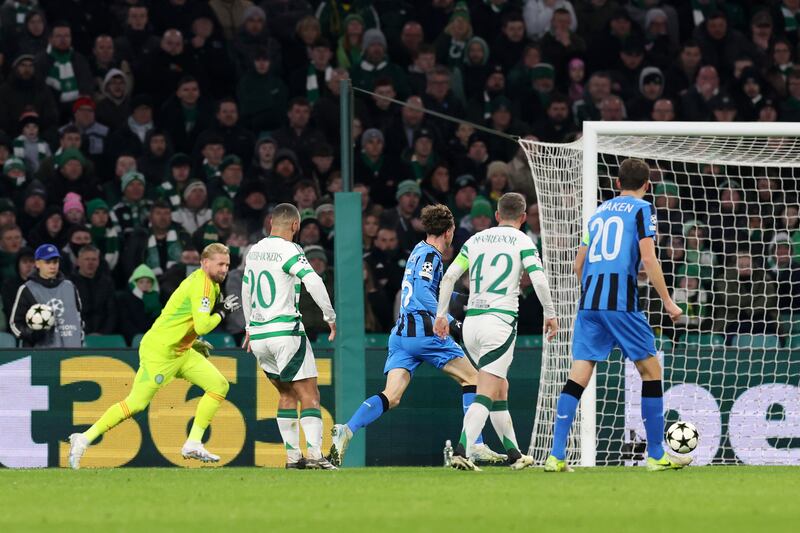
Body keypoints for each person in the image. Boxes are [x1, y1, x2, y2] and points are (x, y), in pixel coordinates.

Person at [330, 205, 507, 468]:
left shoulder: (416, 251)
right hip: (426, 334)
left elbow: (429, 291)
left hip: (401, 335)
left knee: (392, 395)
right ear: (449, 232)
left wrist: (466, 299)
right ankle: (475, 445)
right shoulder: (432, 257)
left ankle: (347, 429)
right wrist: (447, 319)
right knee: (474, 379)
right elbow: (425, 294)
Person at [542, 158, 689, 473]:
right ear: (647, 185)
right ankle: (655, 455)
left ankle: (555, 456)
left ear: (618, 183)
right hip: (620, 302)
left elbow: (578, 265)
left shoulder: (598, 212)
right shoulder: (643, 209)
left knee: (578, 376)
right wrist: (668, 302)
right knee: (651, 372)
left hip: (589, 304)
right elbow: (648, 259)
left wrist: (594, 290)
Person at [68, 243, 242, 469]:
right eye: (220, 264)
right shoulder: (203, 286)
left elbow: (179, 316)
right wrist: (222, 312)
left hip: (180, 350)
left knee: (218, 386)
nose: (224, 269)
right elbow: (202, 325)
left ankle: (193, 442)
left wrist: (191, 341)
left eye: (227, 265)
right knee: (136, 404)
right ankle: (83, 439)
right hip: (160, 352)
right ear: (204, 262)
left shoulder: (212, 285)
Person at [434, 193, 558, 471]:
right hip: (498, 323)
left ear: (497, 215)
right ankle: (463, 451)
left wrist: (441, 315)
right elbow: (537, 278)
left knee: (500, 387)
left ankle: (514, 454)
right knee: (487, 390)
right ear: (523, 218)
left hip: (472, 324)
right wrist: (550, 313)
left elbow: (450, 276)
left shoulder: (475, 240)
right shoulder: (523, 240)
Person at [241, 203, 337, 470]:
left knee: (286, 395)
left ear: (271, 221)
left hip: (259, 336)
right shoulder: (291, 250)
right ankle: (316, 455)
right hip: (285, 332)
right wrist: (330, 317)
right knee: (310, 394)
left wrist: (249, 327)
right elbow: (313, 281)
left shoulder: (254, 250)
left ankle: (293, 458)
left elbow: (246, 289)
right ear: (296, 226)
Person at [10, 243, 83, 348]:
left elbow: (79, 319)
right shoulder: (27, 289)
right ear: (37, 264)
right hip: (42, 355)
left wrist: (79, 342)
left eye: (55, 262)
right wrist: (32, 334)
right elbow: (15, 324)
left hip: (72, 353)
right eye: (47, 262)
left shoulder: (70, 287)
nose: (52, 266)